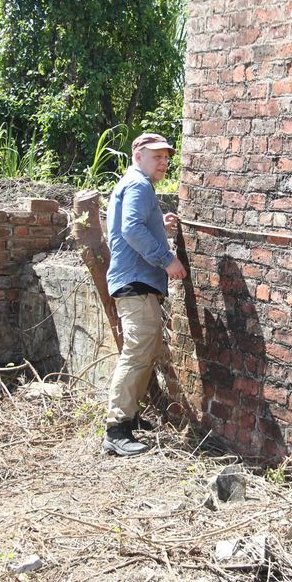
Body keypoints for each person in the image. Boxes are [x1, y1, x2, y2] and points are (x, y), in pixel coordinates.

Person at [102, 132, 187, 456]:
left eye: (166, 157)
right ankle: (116, 429)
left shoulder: (135, 184)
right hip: (135, 281)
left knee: (145, 350)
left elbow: (136, 224)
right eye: (156, 157)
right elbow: (130, 229)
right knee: (138, 353)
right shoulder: (138, 184)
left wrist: (159, 223)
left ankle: (130, 416)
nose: (163, 162)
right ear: (138, 156)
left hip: (136, 281)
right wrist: (167, 259)